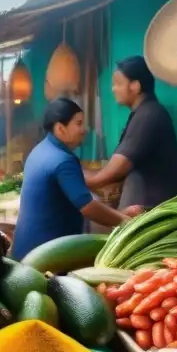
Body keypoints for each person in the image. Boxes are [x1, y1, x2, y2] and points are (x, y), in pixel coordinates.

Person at [12, 99, 140, 259]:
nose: (84, 129)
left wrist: (117, 215)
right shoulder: (62, 160)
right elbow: (88, 207)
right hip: (44, 255)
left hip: (26, 248)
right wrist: (126, 222)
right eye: (78, 123)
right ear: (60, 128)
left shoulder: (41, 150)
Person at [84, 55, 177, 211]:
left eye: (118, 83)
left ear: (135, 86)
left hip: (150, 214)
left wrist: (74, 179)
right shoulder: (144, 113)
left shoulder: (149, 115)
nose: (113, 89)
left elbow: (115, 170)